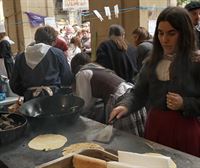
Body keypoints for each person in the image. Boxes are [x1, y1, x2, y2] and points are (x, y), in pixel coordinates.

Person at [109, 7, 200, 157]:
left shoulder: (196, 63)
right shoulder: (151, 62)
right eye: (160, 33)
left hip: (186, 131)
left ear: (184, 34)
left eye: (172, 33)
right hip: (155, 127)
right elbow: (138, 93)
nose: (164, 39)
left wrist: (185, 103)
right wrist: (125, 106)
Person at [71, 52, 147, 137]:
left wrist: (75, 117)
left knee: (124, 139)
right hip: (130, 94)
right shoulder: (98, 68)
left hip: (120, 100)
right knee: (137, 139)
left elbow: (85, 104)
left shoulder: (82, 73)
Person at [10, 25, 73, 101]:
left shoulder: (21, 57)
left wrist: (27, 92)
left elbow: (14, 84)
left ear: (35, 39)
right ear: (54, 41)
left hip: (30, 100)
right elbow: (67, 79)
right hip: (54, 98)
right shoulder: (57, 54)